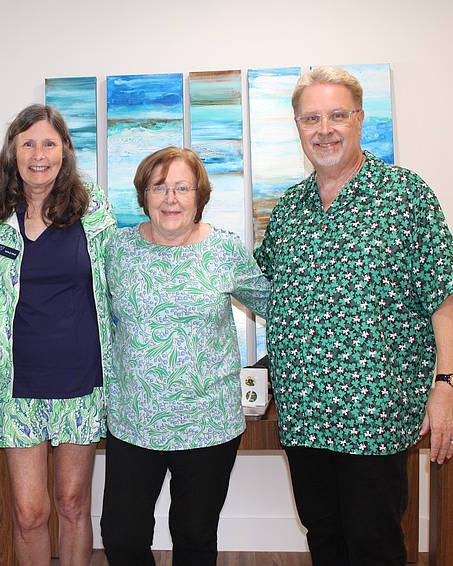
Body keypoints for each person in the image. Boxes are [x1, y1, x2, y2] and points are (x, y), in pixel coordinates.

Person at [254, 66, 453, 565]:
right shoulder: (290, 208)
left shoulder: (405, 195)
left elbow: (447, 294)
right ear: (297, 127)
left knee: (374, 544)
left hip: (373, 414)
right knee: (324, 538)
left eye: (337, 115)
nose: (324, 129)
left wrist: (449, 386)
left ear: (360, 120)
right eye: (311, 117)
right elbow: (261, 288)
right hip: (305, 412)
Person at [100, 146, 270, 566]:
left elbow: (274, 305)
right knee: (120, 534)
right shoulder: (116, 251)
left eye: (181, 187)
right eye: (159, 187)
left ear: (199, 196)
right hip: (133, 419)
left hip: (207, 422)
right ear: (144, 195)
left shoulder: (225, 250)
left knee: (194, 535)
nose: (170, 198)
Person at [0, 104, 115, 565]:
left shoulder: (93, 209)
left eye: (49, 143)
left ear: (65, 151)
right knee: (28, 512)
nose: (39, 154)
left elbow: (119, 280)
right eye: (28, 143)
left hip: (81, 382)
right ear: (13, 152)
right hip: (18, 388)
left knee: (73, 504)